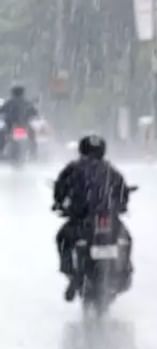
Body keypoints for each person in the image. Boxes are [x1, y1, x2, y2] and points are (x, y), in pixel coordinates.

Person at [53, 135, 132, 301]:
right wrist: (120, 206)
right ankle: (124, 271)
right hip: (108, 221)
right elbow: (123, 193)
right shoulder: (111, 170)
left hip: (82, 221)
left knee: (62, 238)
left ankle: (71, 273)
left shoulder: (73, 169)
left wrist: (60, 204)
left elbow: (60, 190)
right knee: (127, 239)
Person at [0, 85, 39, 155]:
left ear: (13, 93)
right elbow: (34, 113)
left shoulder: (9, 102)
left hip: (11, 125)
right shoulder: (27, 102)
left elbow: (2, 110)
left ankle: (1, 150)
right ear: (22, 93)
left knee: (3, 135)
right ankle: (33, 152)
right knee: (32, 136)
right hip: (24, 124)